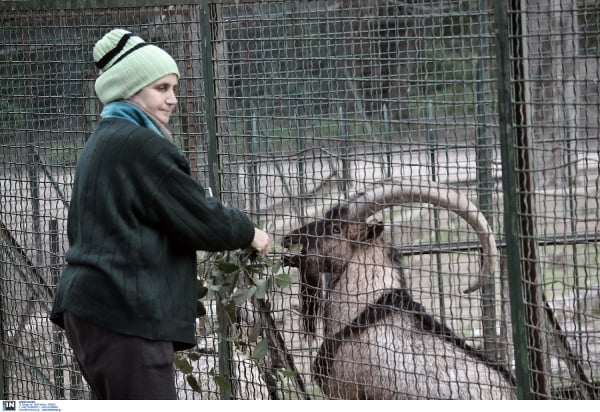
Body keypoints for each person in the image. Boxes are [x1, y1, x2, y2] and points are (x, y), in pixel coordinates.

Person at [50, 28, 271, 400]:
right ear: (131, 88)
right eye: (161, 88)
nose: (172, 100)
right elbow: (200, 217)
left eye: (173, 88)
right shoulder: (142, 146)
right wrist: (249, 232)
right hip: (124, 313)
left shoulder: (106, 138)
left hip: (93, 309)